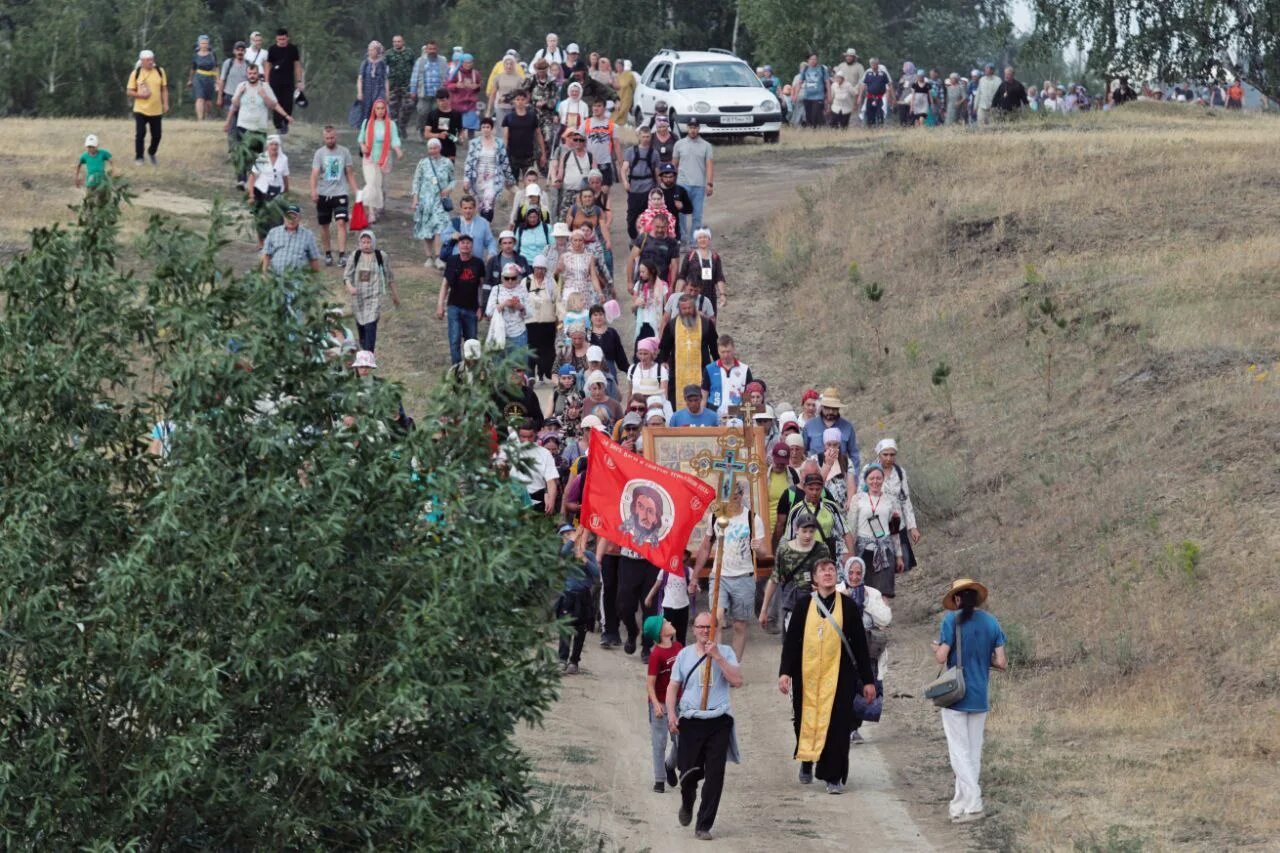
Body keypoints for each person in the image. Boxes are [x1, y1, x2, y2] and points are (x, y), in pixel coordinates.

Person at [778, 557, 877, 793]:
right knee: (805, 719)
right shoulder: (803, 605)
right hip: (807, 675)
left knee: (838, 725)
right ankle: (806, 759)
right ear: (814, 578)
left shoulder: (849, 606)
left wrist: (868, 681)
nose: (828, 574)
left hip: (840, 676)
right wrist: (785, 672)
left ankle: (833, 776)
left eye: (831, 570)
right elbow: (791, 642)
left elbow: (860, 647)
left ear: (837, 576)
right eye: (822, 570)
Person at [933, 578, 1007, 823]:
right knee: (973, 752)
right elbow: (1001, 663)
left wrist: (937, 649)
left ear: (956, 599)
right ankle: (960, 806)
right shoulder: (992, 622)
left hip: (956, 695)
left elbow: (941, 657)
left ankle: (974, 801)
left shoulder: (950, 621)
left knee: (958, 752)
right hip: (979, 694)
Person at [665, 611, 743, 841]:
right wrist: (671, 714)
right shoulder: (684, 655)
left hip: (718, 719)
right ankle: (687, 801)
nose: (704, 631)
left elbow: (737, 681)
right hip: (690, 719)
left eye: (709, 627)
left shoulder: (726, 652)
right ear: (693, 629)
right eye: (700, 627)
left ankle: (704, 824)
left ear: (716, 629)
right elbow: (673, 687)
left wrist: (717, 656)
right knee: (688, 773)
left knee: (715, 775)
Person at [693, 487, 765, 661]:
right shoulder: (717, 516)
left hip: (744, 577)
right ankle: (716, 662)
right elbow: (705, 547)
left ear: (741, 496)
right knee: (715, 622)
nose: (732, 501)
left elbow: (762, 552)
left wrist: (758, 548)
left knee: (739, 625)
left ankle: (732, 664)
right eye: (728, 498)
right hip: (720, 576)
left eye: (735, 497)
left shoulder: (752, 519)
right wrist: (695, 575)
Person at [840, 556, 892, 744]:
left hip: (868, 650)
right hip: (844, 649)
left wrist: (867, 601)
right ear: (845, 572)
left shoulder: (873, 593)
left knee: (865, 689)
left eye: (858, 573)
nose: (854, 577)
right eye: (851, 573)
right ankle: (846, 728)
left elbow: (885, 619)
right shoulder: (838, 591)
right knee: (845, 688)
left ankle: (854, 728)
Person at [761, 512, 830, 634]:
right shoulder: (785, 550)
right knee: (792, 641)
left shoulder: (822, 549)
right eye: (804, 531)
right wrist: (764, 610)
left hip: (815, 601)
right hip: (791, 601)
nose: (808, 535)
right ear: (796, 529)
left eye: (811, 531)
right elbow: (774, 579)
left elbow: (829, 576)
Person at [225, 63, 291, 190]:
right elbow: (234, 104)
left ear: (258, 74)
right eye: (250, 73)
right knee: (240, 153)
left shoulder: (265, 87)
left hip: (259, 128)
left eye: (254, 73)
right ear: (247, 74)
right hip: (243, 125)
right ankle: (241, 180)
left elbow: (274, 105)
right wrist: (228, 121)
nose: (252, 76)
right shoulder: (241, 86)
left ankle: (257, 183)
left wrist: (286, 115)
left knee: (257, 157)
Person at [850, 463, 903, 598]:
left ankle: (882, 618)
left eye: (878, 478)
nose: (875, 481)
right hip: (863, 552)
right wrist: (850, 555)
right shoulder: (858, 499)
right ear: (866, 480)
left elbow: (895, 531)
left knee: (883, 594)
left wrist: (899, 556)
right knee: (863, 593)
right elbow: (851, 528)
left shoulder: (890, 500)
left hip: (885, 552)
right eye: (871, 478)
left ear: (883, 479)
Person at [342, 229, 400, 352]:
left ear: (373, 242)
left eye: (369, 242)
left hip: (374, 297)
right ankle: (363, 353)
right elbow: (346, 276)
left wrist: (395, 295)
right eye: (363, 242)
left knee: (370, 324)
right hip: (358, 298)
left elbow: (390, 277)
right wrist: (350, 287)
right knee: (361, 326)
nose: (366, 245)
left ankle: (369, 355)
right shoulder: (355, 255)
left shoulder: (381, 256)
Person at [657, 295, 719, 410]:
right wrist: (663, 361)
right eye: (684, 309)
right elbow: (664, 349)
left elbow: (715, 349)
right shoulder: (672, 325)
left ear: (694, 307)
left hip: (702, 372)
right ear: (679, 310)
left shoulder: (706, 324)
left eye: (689, 308)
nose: (687, 311)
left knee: (703, 404)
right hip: (677, 375)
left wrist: (718, 364)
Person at [310, 125, 358, 267]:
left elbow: (349, 173)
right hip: (324, 194)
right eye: (327, 138)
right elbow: (314, 174)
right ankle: (328, 253)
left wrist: (356, 191)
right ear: (324, 138)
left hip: (340, 192)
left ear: (336, 137)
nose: (330, 140)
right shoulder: (319, 153)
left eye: (332, 138)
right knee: (324, 225)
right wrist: (313, 190)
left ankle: (342, 254)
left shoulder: (344, 152)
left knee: (341, 222)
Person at [556, 524, 599, 674]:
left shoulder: (589, 554)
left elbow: (596, 573)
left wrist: (584, 559)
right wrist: (572, 540)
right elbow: (563, 553)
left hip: (583, 597)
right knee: (565, 629)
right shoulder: (565, 554)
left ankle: (574, 660)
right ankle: (562, 659)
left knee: (580, 630)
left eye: (571, 533)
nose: (569, 536)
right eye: (565, 535)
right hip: (568, 595)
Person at [438, 233, 486, 364]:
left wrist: (481, 307)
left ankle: (472, 371)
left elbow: (482, 287)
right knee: (454, 340)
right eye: (462, 243)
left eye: (468, 243)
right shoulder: (452, 261)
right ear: (459, 245)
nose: (465, 245)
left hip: (472, 308)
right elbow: (445, 285)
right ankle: (457, 371)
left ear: (472, 245)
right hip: (454, 306)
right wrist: (440, 305)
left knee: (472, 342)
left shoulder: (478, 263)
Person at [875, 438, 921, 572]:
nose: (889, 458)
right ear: (878, 454)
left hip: (897, 524)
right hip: (878, 526)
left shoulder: (900, 473)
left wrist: (912, 527)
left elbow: (905, 500)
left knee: (904, 567)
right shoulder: (870, 471)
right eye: (885, 454)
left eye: (892, 455)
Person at [357, 98, 403, 225]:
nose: (380, 111)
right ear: (374, 109)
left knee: (381, 186)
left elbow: (394, 139)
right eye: (378, 108)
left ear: (385, 109)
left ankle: (378, 208)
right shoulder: (367, 123)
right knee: (371, 183)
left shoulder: (391, 124)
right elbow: (361, 138)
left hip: (384, 158)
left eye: (382, 108)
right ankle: (370, 212)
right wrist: (362, 146)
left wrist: (398, 150)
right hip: (369, 158)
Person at [411, 138, 456, 266]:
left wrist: (448, 188)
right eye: (430, 148)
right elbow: (416, 181)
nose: (433, 151)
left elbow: (453, 180)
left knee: (439, 227)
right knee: (427, 229)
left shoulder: (447, 163)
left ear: (439, 148)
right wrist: (415, 199)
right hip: (425, 201)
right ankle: (428, 257)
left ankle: (438, 257)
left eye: (435, 148)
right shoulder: (423, 163)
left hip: (440, 201)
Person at [463, 116, 515, 221]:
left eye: (488, 127)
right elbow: (469, 161)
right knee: (481, 202)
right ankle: (483, 226)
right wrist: (466, 179)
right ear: (481, 129)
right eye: (483, 127)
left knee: (489, 200)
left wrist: (510, 178)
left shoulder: (499, 143)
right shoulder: (474, 143)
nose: (485, 129)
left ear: (491, 128)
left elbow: (504, 161)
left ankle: (486, 223)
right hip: (478, 177)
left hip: (493, 178)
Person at [671, 119, 714, 237]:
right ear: (687, 128)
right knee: (681, 214)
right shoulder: (679, 144)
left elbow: (709, 165)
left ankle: (693, 241)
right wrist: (672, 184)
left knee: (697, 215)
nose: (693, 130)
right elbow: (674, 165)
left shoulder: (706, 146)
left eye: (695, 127)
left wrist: (709, 184)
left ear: (699, 128)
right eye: (691, 127)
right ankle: (683, 239)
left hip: (698, 185)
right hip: (682, 184)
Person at [126, 50, 169, 166]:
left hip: (156, 110)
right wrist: (140, 95)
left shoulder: (160, 71)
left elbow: (164, 89)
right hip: (140, 109)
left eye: (152, 59)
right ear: (142, 61)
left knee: (157, 135)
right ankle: (139, 157)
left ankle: (151, 152)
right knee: (140, 133)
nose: (151, 62)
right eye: (148, 60)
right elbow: (129, 91)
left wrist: (166, 103)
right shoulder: (136, 73)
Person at [802, 387, 859, 473]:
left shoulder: (848, 427)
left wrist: (854, 478)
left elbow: (854, 455)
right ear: (822, 407)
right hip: (815, 477)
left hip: (840, 478)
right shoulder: (809, 426)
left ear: (838, 408)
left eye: (834, 408)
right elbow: (803, 452)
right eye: (827, 408)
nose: (831, 411)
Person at [247, 134, 289, 247]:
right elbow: (252, 177)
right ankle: (261, 243)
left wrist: (286, 191)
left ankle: (275, 243)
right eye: (271, 144)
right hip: (261, 190)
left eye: (276, 144)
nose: (274, 147)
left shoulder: (284, 159)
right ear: (268, 146)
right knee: (262, 218)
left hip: (277, 191)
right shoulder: (262, 158)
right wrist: (251, 195)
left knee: (278, 219)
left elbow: (285, 177)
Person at [509, 419, 559, 513]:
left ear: (536, 434)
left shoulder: (545, 454)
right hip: (514, 500)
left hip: (537, 501)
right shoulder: (510, 452)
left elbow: (551, 481)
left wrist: (551, 500)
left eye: (530, 437)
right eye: (523, 437)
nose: (527, 440)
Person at [260, 203, 321, 275]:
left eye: (294, 217)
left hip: (298, 279)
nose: (291, 220)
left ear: (299, 218)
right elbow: (266, 254)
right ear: (283, 217)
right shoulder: (273, 232)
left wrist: (315, 278)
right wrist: (264, 274)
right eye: (288, 217)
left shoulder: (308, 235)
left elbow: (313, 259)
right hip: (276, 277)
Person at [678, 228, 726, 317]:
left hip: (710, 296)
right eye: (700, 238)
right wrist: (677, 294)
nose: (703, 240)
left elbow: (719, 277)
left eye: (705, 237)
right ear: (696, 240)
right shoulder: (690, 255)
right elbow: (682, 276)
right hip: (692, 295)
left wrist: (722, 294)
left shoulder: (715, 257)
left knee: (710, 322)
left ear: (709, 239)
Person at [486, 262, 531, 356]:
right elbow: (489, 312)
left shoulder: (522, 289)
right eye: (507, 278)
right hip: (499, 334)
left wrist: (520, 307)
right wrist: (503, 305)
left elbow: (530, 313)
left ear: (518, 278)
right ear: (502, 278)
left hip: (519, 334)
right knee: (499, 367)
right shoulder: (496, 289)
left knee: (518, 367)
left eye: (513, 278)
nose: (510, 281)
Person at [263, 29, 303, 134]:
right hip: (275, 80)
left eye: (284, 39)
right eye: (280, 39)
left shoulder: (293, 49)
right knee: (276, 102)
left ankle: (285, 122)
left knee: (288, 102)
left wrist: (299, 81)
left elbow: (297, 65)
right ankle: (278, 125)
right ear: (276, 38)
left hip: (288, 80)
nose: (282, 41)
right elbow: (268, 65)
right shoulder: (272, 49)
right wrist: (266, 81)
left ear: (287, 38)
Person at [502, 90, 546, 177]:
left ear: (526, 101)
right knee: (513, 183)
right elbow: (505, 137)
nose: (520, 102)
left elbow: (538, 135)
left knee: (529, 181)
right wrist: (504, 153)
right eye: (517, 99)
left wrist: (543, 153)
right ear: (514, 101)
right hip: (513, 155)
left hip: (528, 155)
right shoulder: (509, 117)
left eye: (522, 99)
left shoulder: (532, 116)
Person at [410, 41, 449, 133]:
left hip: (440, 93)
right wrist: (413, 91)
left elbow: (447, 76)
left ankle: (443, 132)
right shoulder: (420, 61)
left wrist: (447, 90)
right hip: (424, 92)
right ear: (426, 50)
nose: (432, 51)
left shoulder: (443, 61)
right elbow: (414, 77)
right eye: (430, 49)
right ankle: (421, 130)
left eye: (434, 49)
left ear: (437, 49)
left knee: (443, 112)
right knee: (423, 112)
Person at [384, 35, 416, 136]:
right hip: (393, 85)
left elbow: (414, 68)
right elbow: (384, 70)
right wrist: (386, 87)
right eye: (395, 42)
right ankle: (395, 129)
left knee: (409, 105)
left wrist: (413, 84)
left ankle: (403, 125)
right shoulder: (388, 54)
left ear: (403, 42)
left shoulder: (409, 52)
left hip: (406, 85)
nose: (396, 43)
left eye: (398, 41)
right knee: (393, 109)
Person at [447, 54, 483, 138]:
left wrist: (477, 87)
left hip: (471, 103)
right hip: (457, 103)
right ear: (462, 63)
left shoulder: (476, 73)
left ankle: (471, 141)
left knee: (472, 123)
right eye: (466, 63)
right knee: (455, 123)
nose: (468, 65)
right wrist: (456, 85)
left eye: (470, 62)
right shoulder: (455, 73)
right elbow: (447, 85)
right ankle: (454, 140)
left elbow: (480, 85)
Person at [357, 41, 390, 125]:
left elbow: (386, 79)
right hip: (367, 91)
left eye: (373, 50)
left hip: (379, 90)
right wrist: (360, 92)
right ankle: (366, 131)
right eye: (369, 50)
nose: (370, 52)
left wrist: (387, 93)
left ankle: (381, 130)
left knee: (380, 109)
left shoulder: (382, 63)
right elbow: (360, 79)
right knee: (366, 111)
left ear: (378, 51)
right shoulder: (365, 63)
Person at [487, 52, 524, 127]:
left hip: (514, 108)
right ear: (503, 65)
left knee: (513, 130)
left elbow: (522, 95)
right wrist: (489, 110)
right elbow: (493, 94)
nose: (509, 66)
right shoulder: (498, 77)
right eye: (507, 64)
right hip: (501, 107)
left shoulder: (519, 79)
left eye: (511, 64)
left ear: (514, 65)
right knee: (501, 129)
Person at [422, 88, 461, 160]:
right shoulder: (432, 114)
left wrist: (460, 138)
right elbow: (426, 134)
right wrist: (438, 135)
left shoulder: (456, 114)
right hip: (434, 150)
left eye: (443, 101)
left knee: (449, 169)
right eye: (439, 101)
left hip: (450, 150)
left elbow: (461, 132)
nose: (441, 103)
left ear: (449, 99)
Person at [217, 41, 251, 118]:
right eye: (238, 50)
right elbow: (222, 80)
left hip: (243, 96)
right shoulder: (228, 63)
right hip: (229, 95)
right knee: (231, 120)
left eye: (242, 50)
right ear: (234, 51)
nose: (240, 52)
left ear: (245, 51)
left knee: (242, 120)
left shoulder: (249, 64)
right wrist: (219, 97)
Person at [187, 35, 218, 121]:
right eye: (202, 43)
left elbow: (216, 67)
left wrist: (217, 80)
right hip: (198, 78)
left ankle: (208, 115)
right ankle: (200, 119)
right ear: (199, 44)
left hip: (210, 78)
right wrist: (190, 80)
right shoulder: (195, 55)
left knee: (208, 101)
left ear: (208, 44)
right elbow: (193, 69)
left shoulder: (212, 54)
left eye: (206, 43)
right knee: (199, 98)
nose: (204, 45)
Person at [797, 54, 830, 128]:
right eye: (811, 59)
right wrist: (795, 94)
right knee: (808, 116)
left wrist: (829, 96)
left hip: (818, 97)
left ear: (817, 60)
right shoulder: (805, 69)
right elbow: (800, 82)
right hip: (807, 97)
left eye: (815, 59)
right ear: (808, 60)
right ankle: (812, 130)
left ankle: (817, 129)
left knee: (815, 114)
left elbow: (827, 83)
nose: (813, 61)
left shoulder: (822, 69)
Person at [859, 58, 892, 127]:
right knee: (869, 112)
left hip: (880, 97)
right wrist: (860, 96)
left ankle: (880, 126)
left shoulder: (883, 74)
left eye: (874, 64)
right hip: (870, 96)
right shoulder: (868, 73)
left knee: (880, 112)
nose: (873, 65)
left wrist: (891, 96)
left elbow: (889, 85)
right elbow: (863, 85)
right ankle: (870, 127)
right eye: (872, 64)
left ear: (877, 64)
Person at [613, 59, 637, 124]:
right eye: (617, 66)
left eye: (620, 66)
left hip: (627, 98)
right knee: (616, 113)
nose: (618, 68)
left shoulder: (630, 75)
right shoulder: (615, 76)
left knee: (622, 113)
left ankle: (622, 128)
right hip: (617, 99)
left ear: (623, 66)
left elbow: (635, 87)